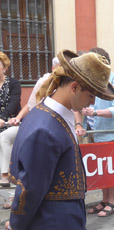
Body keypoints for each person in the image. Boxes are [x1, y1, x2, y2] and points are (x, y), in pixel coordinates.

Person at [4, 49, 114, 230]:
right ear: (74, 87)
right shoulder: (45, 127)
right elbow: (31, 186)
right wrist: (17, 223)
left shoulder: (57, 113)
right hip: (56, 217)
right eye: (91, 94)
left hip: (69, 213)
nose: (92, 101)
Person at [2, 57, 59, 209]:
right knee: (6, 139)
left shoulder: (12, 83)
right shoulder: (44, 81)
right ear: (54, 68)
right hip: (29, 124)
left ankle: (28, 195)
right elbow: (31, 104)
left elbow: (15, 102)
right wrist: (18, 118)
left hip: (47, 129)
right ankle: (6, 178)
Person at [80, 47, 114, 217]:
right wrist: (82, 124)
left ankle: (113, 202)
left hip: (110, 134)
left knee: (110, 169)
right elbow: (85, 105)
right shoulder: (92, 79)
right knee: (101, 170)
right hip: (94, 132)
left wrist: (95, 113)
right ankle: (104, 200)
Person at [0, 51, 21, 187]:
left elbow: (14, 103)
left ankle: (5, 175)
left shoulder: (13, 84)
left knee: (3, 138)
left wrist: (2, 118)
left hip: (13, 123)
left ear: (5, 68)